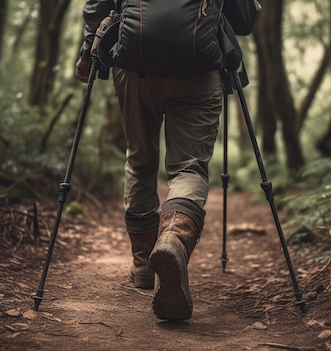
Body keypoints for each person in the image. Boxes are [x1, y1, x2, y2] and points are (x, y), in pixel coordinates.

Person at [75, 0, 224, 321]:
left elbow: (96, 6)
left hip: (134, 67)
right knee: (190, 167)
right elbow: (244, 21)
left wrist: (89, 47)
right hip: (197, 69)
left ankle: (143, 264)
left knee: (140, 159)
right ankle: (173, 241)